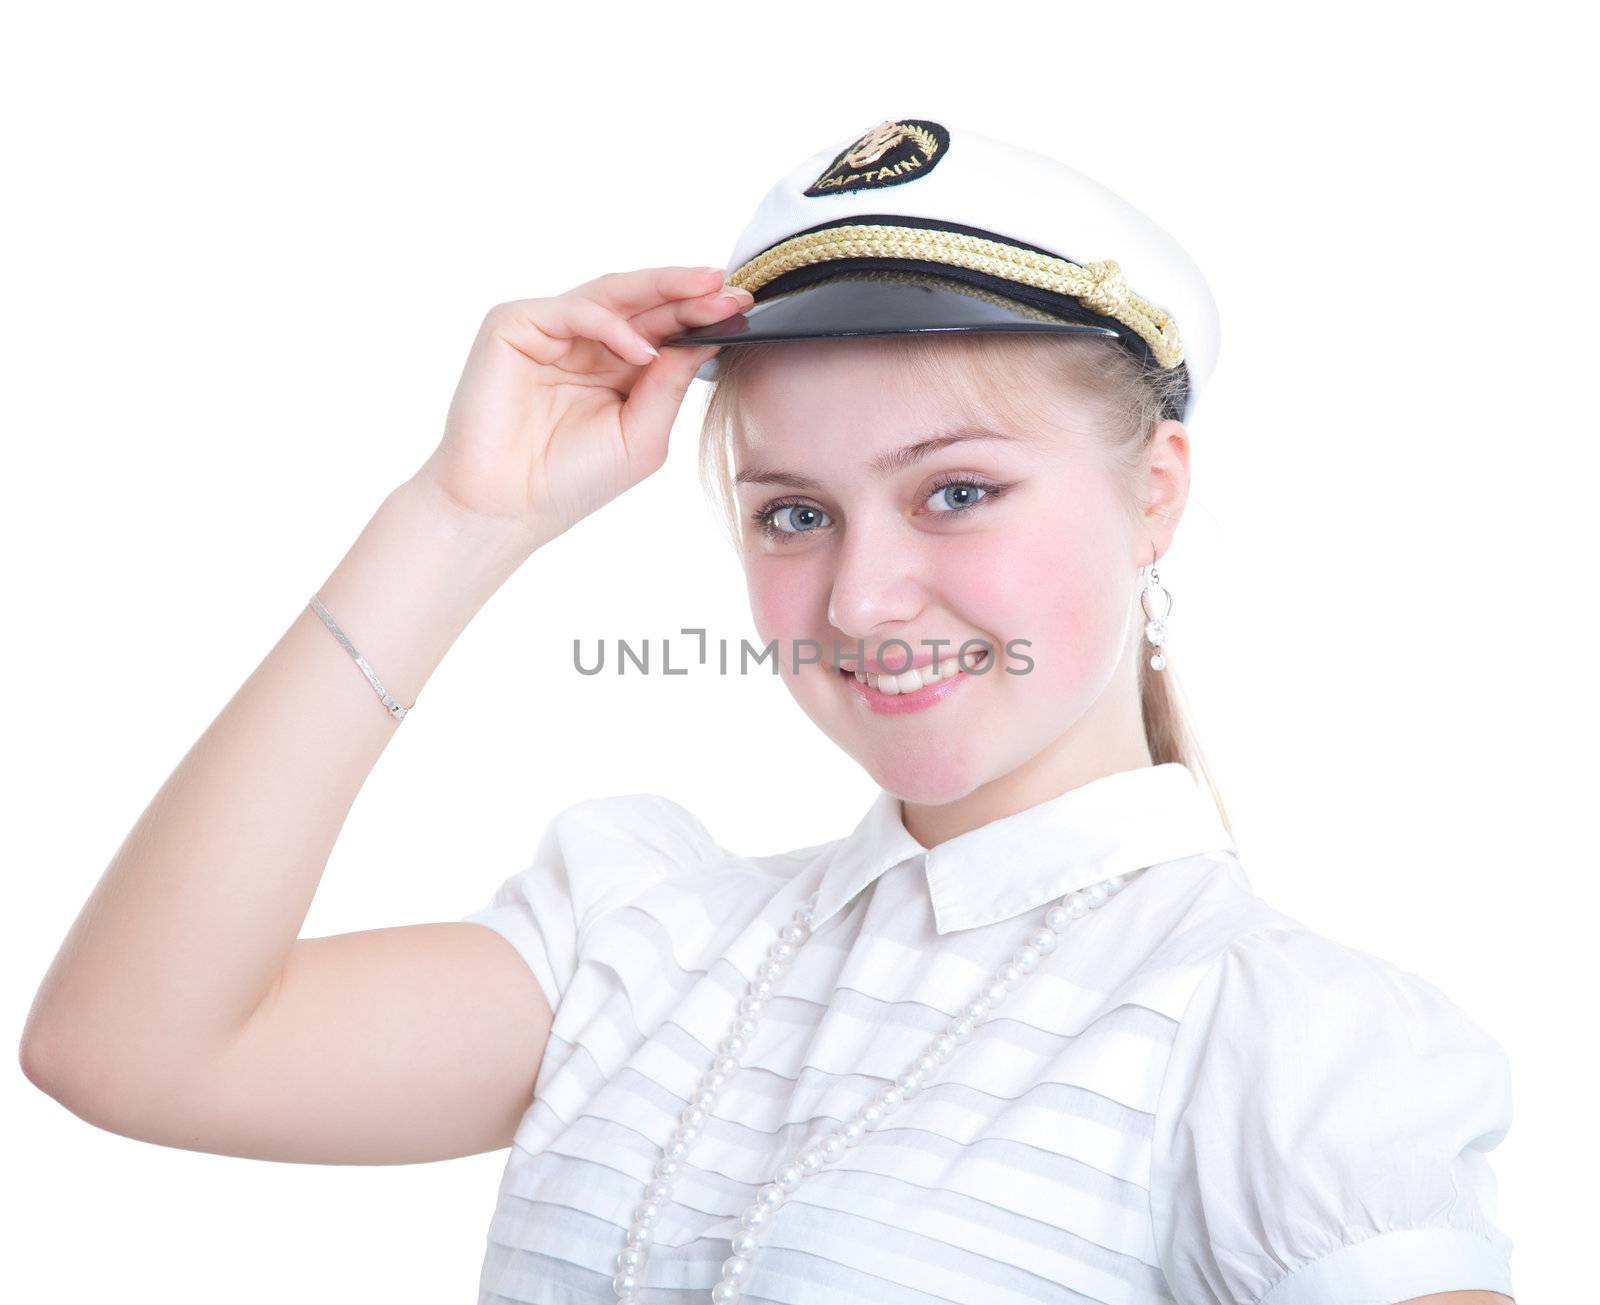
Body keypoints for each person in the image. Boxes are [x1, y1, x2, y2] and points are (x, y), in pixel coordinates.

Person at [17, 117, 1517, 1305]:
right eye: (793, 513)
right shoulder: (650, 936)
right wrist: (461, 516)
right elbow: (127, 1049)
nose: (862, 601)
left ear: (1155, 496)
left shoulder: (1285, 1040)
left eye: (957, 491)